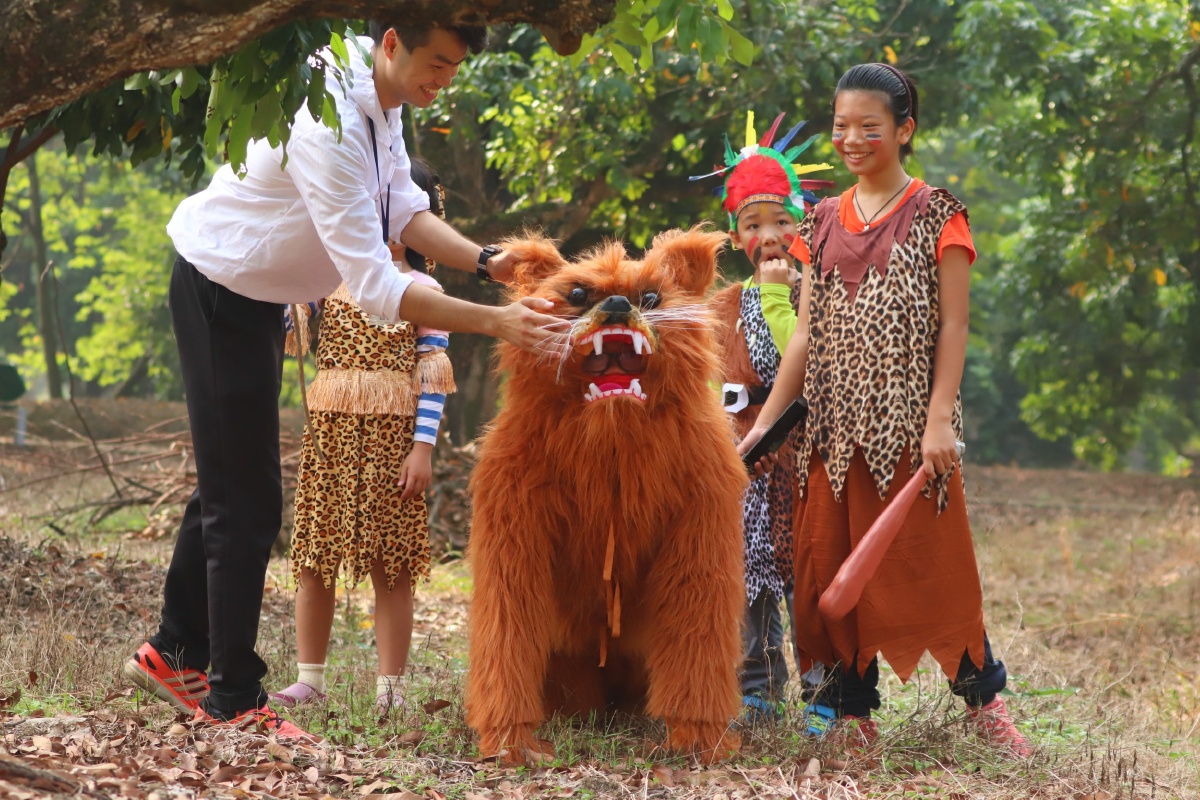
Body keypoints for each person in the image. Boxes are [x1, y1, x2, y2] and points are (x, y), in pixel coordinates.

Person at [122, 20, 563, 740]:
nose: (443, 79)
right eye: (438, 63)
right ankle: (234, 697)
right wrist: (499, 322)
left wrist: (488, 262)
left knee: (227, 482)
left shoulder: (380, 98)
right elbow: (378, 282)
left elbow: (405, 209)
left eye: (453, 67)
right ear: (394, 42)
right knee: (249, 499)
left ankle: (174, 649)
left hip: (253, 293)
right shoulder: (325, 118)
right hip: (219, 286)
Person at [738, 64, 1032, 758]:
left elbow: (954, 328)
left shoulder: (938, 213)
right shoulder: (817, 221)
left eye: (869, 127)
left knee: (932, 567)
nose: (852, 139)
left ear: (904, 129)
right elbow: (806, 336)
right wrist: (764, 425)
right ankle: (851, 714)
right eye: (842, 127)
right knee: (826, 570)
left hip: (909, 431)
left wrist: (938, 421)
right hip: (831, 437)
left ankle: (984, 703)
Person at [268, 157, 454, 715]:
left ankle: (391, 688)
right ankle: (309, 678)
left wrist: (422, 450)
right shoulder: (325, 281)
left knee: (391, 563)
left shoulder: (423, 288)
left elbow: (433, 374)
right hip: (330, 441)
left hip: (393, 448)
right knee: (315, 557)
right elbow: (284, 331)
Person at [701, 112, 833, 723]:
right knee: (745, 580)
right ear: (735, 237)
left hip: (801, 457)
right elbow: (705, 382)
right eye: (754, 224)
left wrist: (780, 296)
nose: (770, 234)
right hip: (740, 460)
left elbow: (798, 360)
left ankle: (824, 691)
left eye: (783, 219)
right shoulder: (721, 307)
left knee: (806, 575)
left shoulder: (817, 293)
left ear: (805, 224)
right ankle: (755, 686)